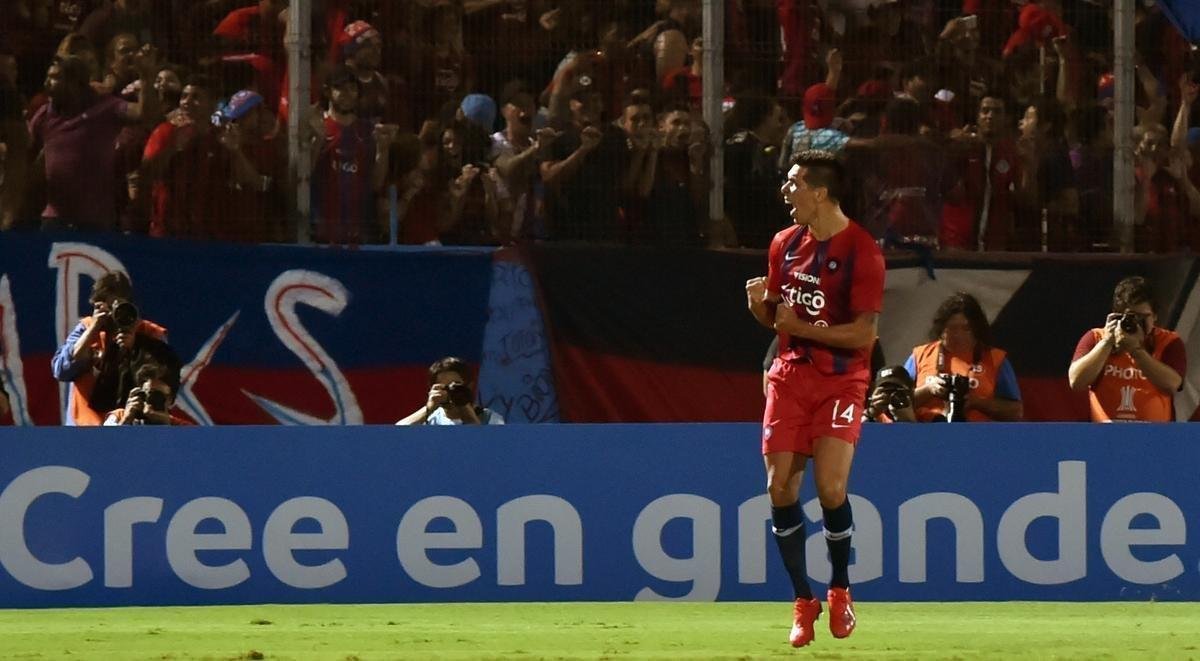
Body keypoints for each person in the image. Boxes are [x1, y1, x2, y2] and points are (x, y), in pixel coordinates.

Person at [745, 149, 884, 647]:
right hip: (790, 375)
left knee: (829, 488)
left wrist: (797, 324)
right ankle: (804, 600)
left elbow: (864, 336)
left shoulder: (862, 251)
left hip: (842, 380)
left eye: (793, 183)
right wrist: (760, 310)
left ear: (820, 192)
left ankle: (841, 588)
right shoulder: (784, 244)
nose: (786, 191)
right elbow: (779, 320)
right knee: (779, 488)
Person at [50, 271, 168, 426]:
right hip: (85, 431)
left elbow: (165, 381)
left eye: (119, 306)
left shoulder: (150, 333)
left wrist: (136, 348)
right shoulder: (86, 328)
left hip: (133, 429)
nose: (114, 314)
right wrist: (94, 328)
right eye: (109, 307)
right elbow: (61, 370)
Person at [1068, 276, 1186, 422]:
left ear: (1155, 316)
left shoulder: (1169, 342)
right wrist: (1106, 342)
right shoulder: (1096, 337)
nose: (1137, 323)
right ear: (1117, 315)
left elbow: (1172, 385)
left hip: (1155, 437)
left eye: (1143, 317)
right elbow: (1076, 382)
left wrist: (1136, 350)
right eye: (1131, 317)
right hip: (1105, 436)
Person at [904, 293, 1022, 422]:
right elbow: (896, 403)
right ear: (941, 329)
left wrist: (977, 402)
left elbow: (1015, 412)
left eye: (966, 328)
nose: (958, 335)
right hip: (926, 432)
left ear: (977, 329)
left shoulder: (996, 359)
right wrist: (928, 389)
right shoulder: (920, 355)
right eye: (952, 328)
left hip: (977, 436)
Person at [396, 356, 505, 426]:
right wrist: (428, 409)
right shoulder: (429, 420)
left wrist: (464, 407)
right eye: (444, 387)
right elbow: (397, 434)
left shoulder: (490, 419)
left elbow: (488, 447)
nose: (450, 391)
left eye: (456, 385)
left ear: (470, 386)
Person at [102, 342, 186, 425]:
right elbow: (104, 438)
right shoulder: (118, 416)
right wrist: (127, 419)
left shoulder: (182, 427)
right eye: (147, 394)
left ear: (170, 400)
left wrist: (165, 424)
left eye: (157, 396)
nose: (149, 401)